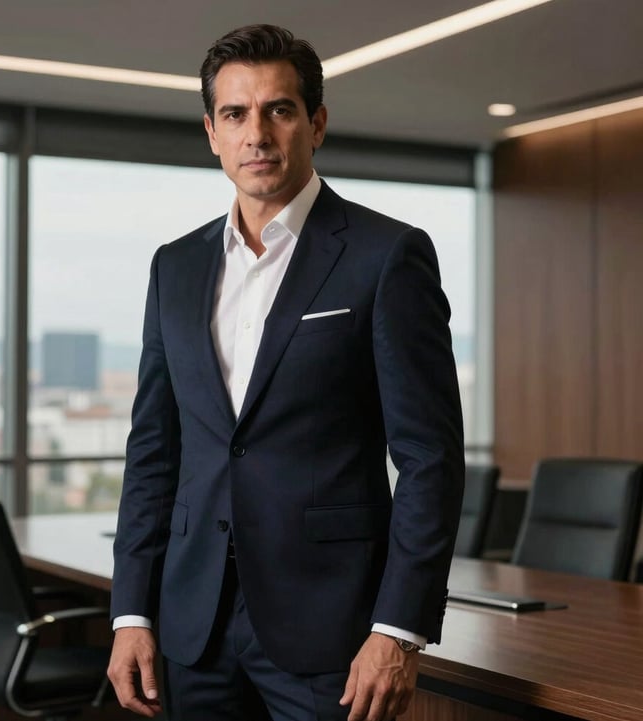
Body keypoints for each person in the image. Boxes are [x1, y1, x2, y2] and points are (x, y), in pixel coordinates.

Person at [107, 23, 464, 721]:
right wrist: (130, 611)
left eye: (280, 109)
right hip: (192, 623)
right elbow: (154, 452)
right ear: (211, 131)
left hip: (331, 628)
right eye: (235, 114)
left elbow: (430, 459)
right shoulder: (173, 267)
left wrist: (398, 630)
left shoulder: (386, 256)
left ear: (316, 123)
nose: (257, 134)